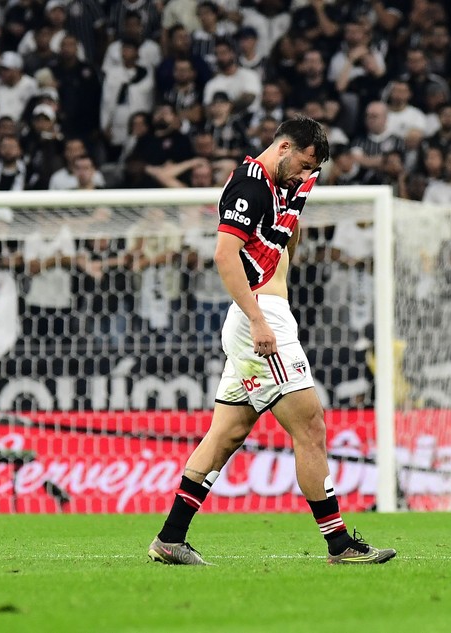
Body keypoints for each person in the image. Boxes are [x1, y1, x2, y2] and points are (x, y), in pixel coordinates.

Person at [149, 116, 395, 566]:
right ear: (283, 147)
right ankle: (339, 544)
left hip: (265, 315)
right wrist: (260, 319)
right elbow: (224, 255)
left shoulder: (288, 183)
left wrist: (284, 268)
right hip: (260, 324)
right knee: (311, 427)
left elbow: (289, 228)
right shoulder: (250, 187)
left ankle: (170, 539)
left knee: (226, 434)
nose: (306, 175)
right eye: (303, 164)